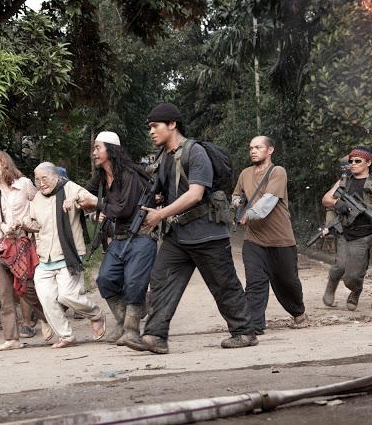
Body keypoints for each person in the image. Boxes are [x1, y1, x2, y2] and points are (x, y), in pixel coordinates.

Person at [141, 103, 256, 354]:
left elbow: (195, 194)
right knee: (161, 280)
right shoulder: (165, 157)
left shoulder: (195, 152)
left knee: (223, 284)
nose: (151, 131)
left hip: (206, 232)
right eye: (149, 127)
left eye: (155, 126)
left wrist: (161, 214)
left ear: (172, 125)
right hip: (178, 235)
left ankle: (244, 331)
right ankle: (155, 335)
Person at [81, 131, 157, 350]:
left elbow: (123, 209)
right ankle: (123, 323)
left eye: (98, 148)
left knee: (134, 283)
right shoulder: (102, 177)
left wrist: (97, 204)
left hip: (141, 236)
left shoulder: (129, 174)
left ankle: (132, 330)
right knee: (105, 278)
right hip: (119, 237)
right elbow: (84, 192)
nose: (94, 152)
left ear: (110, 150)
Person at [25, 163, 106, 348]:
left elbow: (93, 200)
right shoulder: (37, 198)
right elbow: (36, 223)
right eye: (37, 179)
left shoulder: (70, 188)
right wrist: (23, 224)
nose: (40, 183)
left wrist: (75, 199)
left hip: (68, 254)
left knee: (67, 296)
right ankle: (66, 336)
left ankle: (96, 314)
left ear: (55, 177)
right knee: (46, 299)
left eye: (44, 178)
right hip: (45, 257)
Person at [232, 136, 307, 334]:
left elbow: (267, 203)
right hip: (254, 240)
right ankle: (254, 325)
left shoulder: (278, 171)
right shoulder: (245, 173)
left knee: (287, 282)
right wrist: (236, 205)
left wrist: (248, 214)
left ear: (270, 150)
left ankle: (298, 311)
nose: (253, 151)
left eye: (258, 147)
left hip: (281, 239)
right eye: (251, 148)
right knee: (255, 283)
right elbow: (237, 196)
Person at [0, 150, 52, 351]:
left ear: (5, 163)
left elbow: (39, 205)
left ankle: (47, 318)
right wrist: (2, 226)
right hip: (1, 246)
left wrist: (24, 223)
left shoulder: (24, 184)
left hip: (22, 244)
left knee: (27, 289)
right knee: (6, 294)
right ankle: (11, 338)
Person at [321, 146, 372, 311]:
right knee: (339, 267)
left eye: (358, 161)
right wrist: (337, 203)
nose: (353, 164)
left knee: (352, 276)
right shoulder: (344, 180)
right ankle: (331, 285)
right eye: (351, 161)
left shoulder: (370, 183)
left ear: (369, 162)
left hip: (364, 234)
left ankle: (355, 291)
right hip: (345, 231)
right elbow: (326, 199)